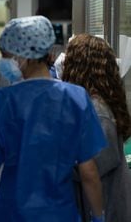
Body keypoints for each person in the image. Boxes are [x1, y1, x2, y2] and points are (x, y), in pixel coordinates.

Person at [0, 16, 107, 222]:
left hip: (12, 213)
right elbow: (89, 172)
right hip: (59, 214)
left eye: (6, 55)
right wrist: (99, 217)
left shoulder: (1, 101)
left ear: (24, 56)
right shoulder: (76, 98)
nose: (2, 61)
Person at [62, 34, 131, 221]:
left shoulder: (97, 111)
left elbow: (91, 169)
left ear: (79, 68)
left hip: (104, 208)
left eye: (67, 60)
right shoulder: (88, 105)